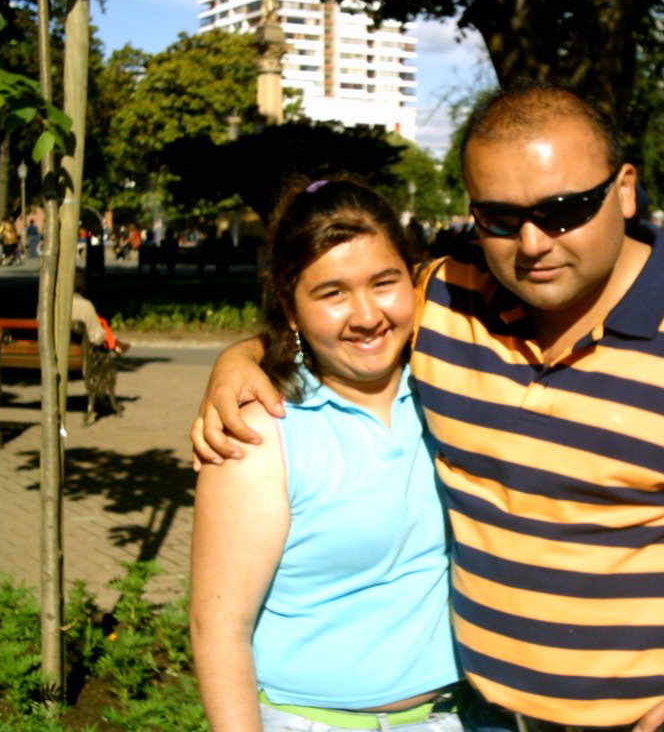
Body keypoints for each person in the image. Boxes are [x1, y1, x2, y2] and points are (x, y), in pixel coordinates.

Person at [193, 83, 664, 732]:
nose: (534, 243)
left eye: (565, 209)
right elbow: (340, 312)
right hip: (498, 717)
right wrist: (240, 362)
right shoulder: (450, 301)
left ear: (625, 190)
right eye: (501, 219)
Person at [189, 177, 465, 732]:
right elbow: (217, 627)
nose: (366, 316)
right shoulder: (260, 433)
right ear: (290, 306)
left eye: (384, 282)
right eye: (332, 293)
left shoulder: (454, 388)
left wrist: (239, 352)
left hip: (460, 717)